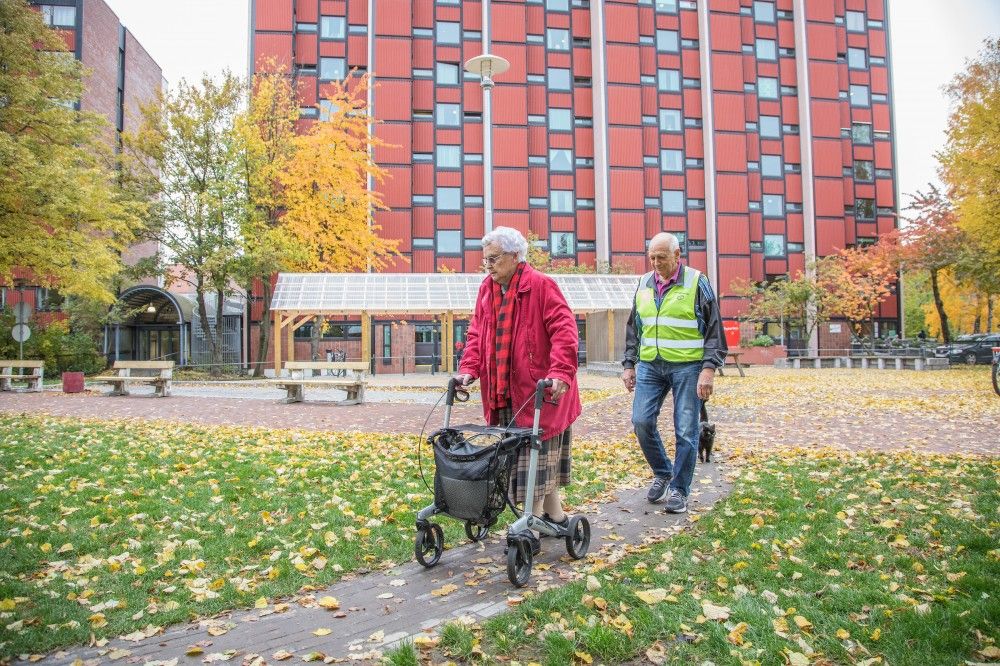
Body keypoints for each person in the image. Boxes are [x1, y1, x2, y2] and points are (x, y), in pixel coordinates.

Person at [455, 226, 582, 531]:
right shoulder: (487, 290)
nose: (489, 266)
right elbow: (476, 334)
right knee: (529, 462)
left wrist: (560, 372)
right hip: (505, 391)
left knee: (533, 464)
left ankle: (530, 528)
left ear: (514, 256)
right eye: (486, 260)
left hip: (541, 392)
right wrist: (468, 368)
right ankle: (558, 520)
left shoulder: (541, 285)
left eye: (494, 259)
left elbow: (565, 332)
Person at [622, 232, 727, 514]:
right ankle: (663, 472)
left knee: (686, 429)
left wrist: (708, 368)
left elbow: (715, 328)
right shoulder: (644, 283)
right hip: (651, 365)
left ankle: (679, 490)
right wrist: (629, 364)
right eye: (652, 257)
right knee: (641, 421)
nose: (656, 262)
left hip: (688, 365)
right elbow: (635, 327)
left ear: (677, 255)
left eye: (662, 257)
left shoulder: (696, 281)